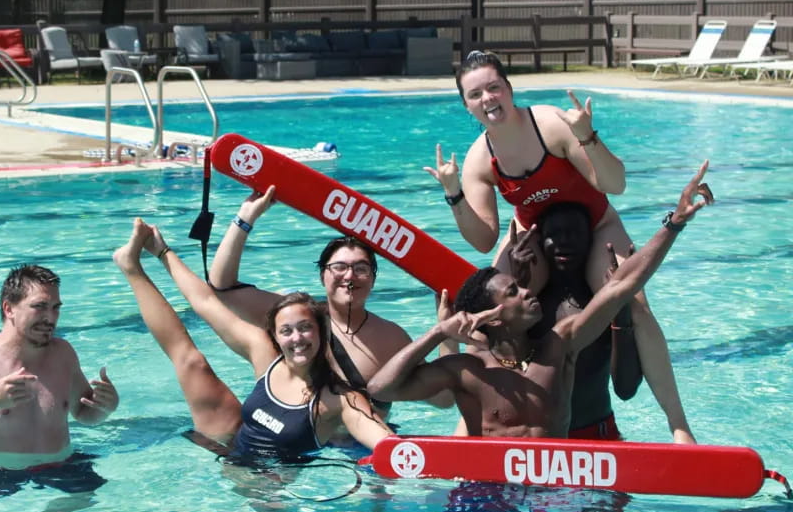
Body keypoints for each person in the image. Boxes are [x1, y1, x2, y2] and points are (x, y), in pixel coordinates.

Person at [425, 49, 695, 443]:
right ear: (466, 105)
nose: (488, 99)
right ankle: (468, 429)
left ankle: (678, 425)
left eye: (494, 88)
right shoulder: (479, 160)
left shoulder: (551, 125)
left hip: (595, 221)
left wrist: (586, 135)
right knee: (491, 311)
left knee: (634, 302)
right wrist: (454, 195)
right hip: (533, 232)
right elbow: (483, 240)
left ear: (509, 88)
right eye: (475, 94)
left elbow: (615, 185)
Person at [368, 162, 713, 440]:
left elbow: (620, 286)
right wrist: (438, 332)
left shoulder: (558, 345)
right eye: (514, 291)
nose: (527, 290)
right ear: (494, 316)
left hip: (558, 483)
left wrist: (674, 223)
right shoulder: (469, 370)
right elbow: (380, 388)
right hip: (493, 487)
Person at [112, 217, 393, 463]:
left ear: (321, 331)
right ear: (275, 335)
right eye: (286, 331)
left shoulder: (340, 399)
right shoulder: (265, 354)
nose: (297, 338)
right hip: (231, 444)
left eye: (306, 328)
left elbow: (387, 443)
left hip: (270, 483)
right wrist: (162, 251)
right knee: (190, 360)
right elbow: (205, 301)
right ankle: (131, 266)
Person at [208, 186, 451, 420]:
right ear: (322, 276)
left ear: (373, 279)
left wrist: (446, 332)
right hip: (297, 448)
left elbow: (444, 399)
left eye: (361, 269)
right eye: (339, 267)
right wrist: (246, 215)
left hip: (361, 455)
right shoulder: (295, 316)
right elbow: (222, 286)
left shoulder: (391, 338)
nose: (349, 276)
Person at [0, 264, 118, 499]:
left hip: (63, 466)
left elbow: (85, 414)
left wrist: (106, 406)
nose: (50, 318)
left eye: (55, 308)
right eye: (39, 307)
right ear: (9, 309)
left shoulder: (63, 353)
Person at [520, 202, 643, 439]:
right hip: (539, 441)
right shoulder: (530, 305)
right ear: (539, 241)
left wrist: (620, 306)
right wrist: (519, 283)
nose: (564, 241)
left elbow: (626, 389)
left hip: (598, 436)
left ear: (591, 240)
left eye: (574, 233)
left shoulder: (602, 303)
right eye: (553, 235)